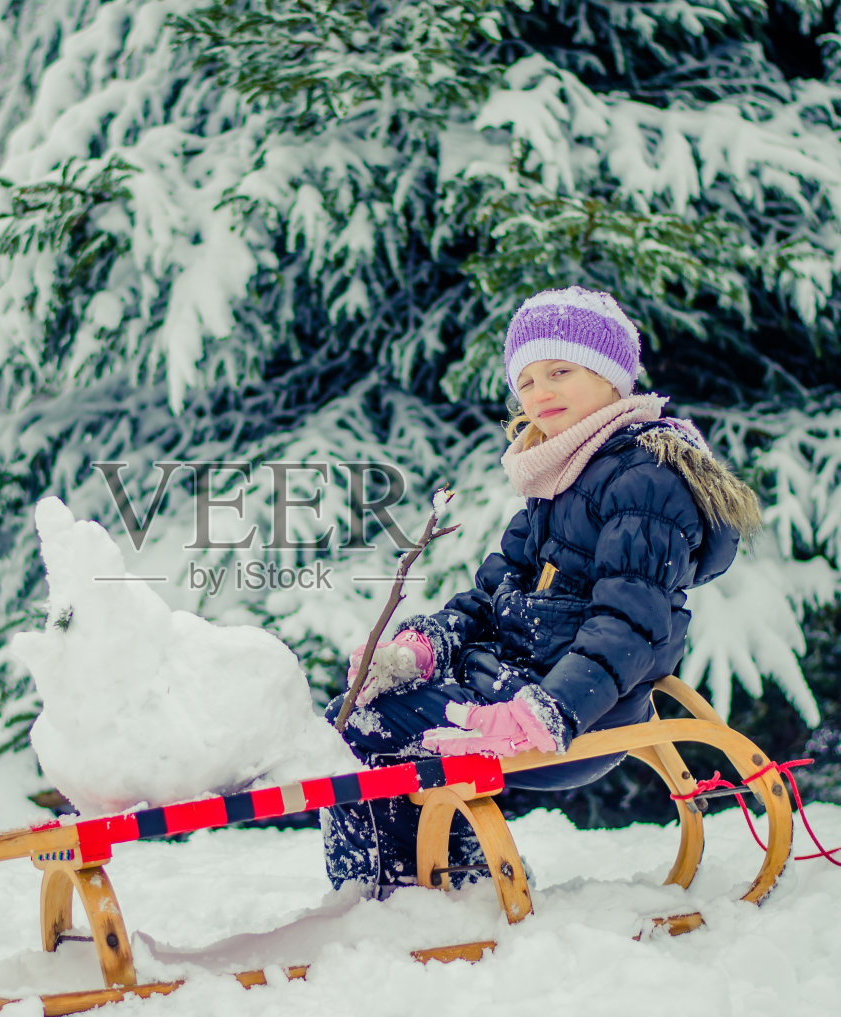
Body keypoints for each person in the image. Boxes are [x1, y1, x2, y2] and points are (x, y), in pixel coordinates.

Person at [323, 285, 762, 894]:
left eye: (560, 370)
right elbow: (489, 600)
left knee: (369, 727)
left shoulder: (646, 479)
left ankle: (415, 891)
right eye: (525, 381)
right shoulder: (557, 483)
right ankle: (420, 884)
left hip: (581, 717)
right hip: (512, 688)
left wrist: (547, 710)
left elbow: (630, 625)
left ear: (614, 379)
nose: (540, 392)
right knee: (355, 715)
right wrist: (419, 649)